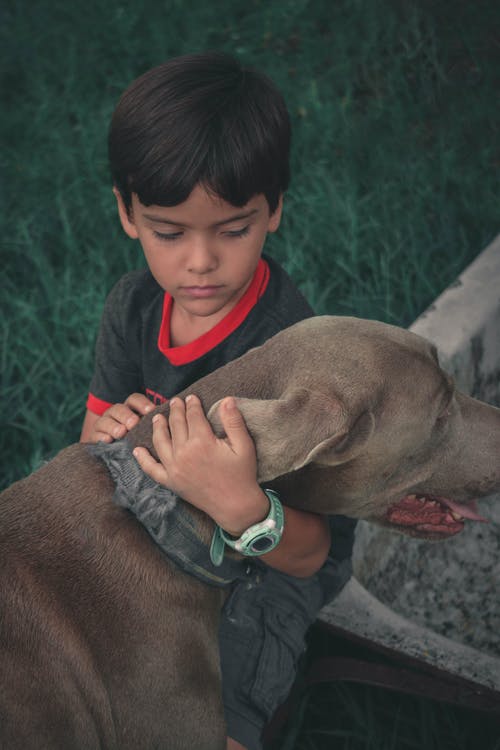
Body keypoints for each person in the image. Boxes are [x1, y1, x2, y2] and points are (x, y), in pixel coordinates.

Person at [81, 52, 356, 750]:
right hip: (161, 529)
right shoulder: (134, 307)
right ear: (126, 213)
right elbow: (90, 447)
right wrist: (109, 441)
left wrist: (241, 506)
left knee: (208, 725)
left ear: (275, 209)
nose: (200, 262)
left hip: (263, 563)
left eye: (233, 229)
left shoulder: (296, 352)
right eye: (169, 232)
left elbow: (310, 555)